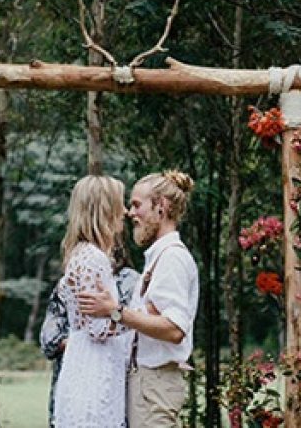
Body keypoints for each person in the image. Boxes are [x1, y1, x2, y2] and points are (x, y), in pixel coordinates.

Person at [79, 170, 199, 427]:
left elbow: (175, 329)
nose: (130, 213)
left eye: (136, 205)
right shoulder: (158, 257)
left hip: (155, 383)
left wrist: (115, 311)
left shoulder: (172, 258)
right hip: (146, 381)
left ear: (162, 207)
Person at [51, 174, 133, 427]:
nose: (127, 212)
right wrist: (135, 319)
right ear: (105, 209)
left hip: (85, 360)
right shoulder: (92, 259)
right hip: (95, 367)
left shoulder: (81, 254)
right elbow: (97, 328)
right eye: (120, 204)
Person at [39, 242, 139, 427]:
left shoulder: (131, 281)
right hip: (83, 372)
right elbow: (49, 339)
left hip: (116, 381)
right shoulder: (79, 274)